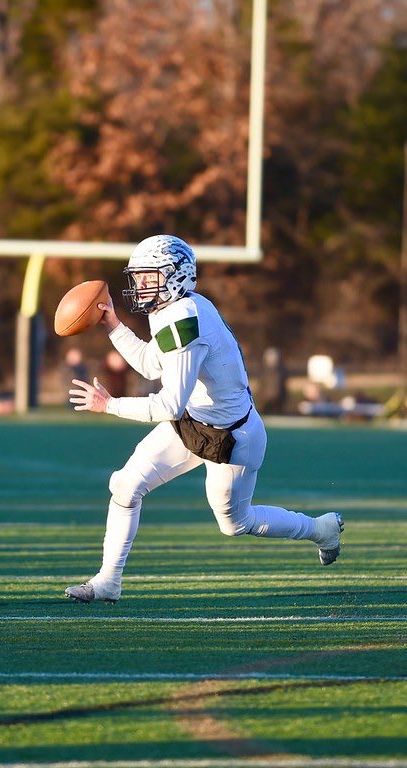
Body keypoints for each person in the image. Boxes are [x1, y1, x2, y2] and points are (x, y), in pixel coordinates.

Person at [64, 235, 343, 603]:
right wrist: (113, 324)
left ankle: (320, 530)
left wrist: (110, 405)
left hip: (231, 438)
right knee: (125, 486)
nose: (141, 286)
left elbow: (168, 406)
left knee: (235, 524)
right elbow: (152, 362)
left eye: (149, 277)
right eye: (139, 277)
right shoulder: (176, 308)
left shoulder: (185, 319)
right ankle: (108, 582)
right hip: (193, 423)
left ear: (176, 274)